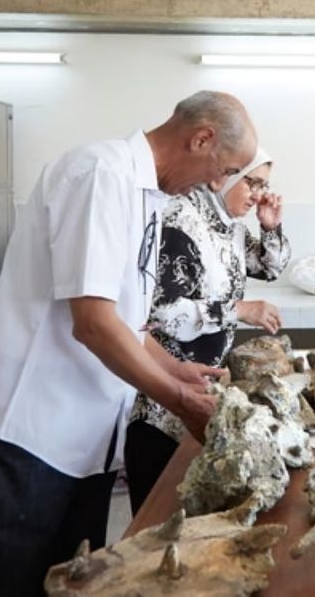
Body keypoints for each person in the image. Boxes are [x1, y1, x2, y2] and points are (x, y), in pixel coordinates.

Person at [0, 91, 258, 597]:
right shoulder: (98, 174)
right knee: (0, 583)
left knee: (67, 585)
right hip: (25, 434)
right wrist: (176, 400)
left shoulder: (149, 197)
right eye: (224, 169)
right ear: (200, 139)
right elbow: (91, 322)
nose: (219, 184)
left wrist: (176, 370)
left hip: (84, 442)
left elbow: (126, 320)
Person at [124, 147, 291, 514]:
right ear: (226, 175)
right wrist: (238, 310)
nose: (259, 194)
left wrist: (270, 226)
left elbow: (270, 267)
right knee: (158, 522)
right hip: (161, 401)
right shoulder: (181, 217)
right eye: (253, 183)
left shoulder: (226, 224)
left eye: (265, 186)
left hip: (199, 395)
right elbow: (163, 312)